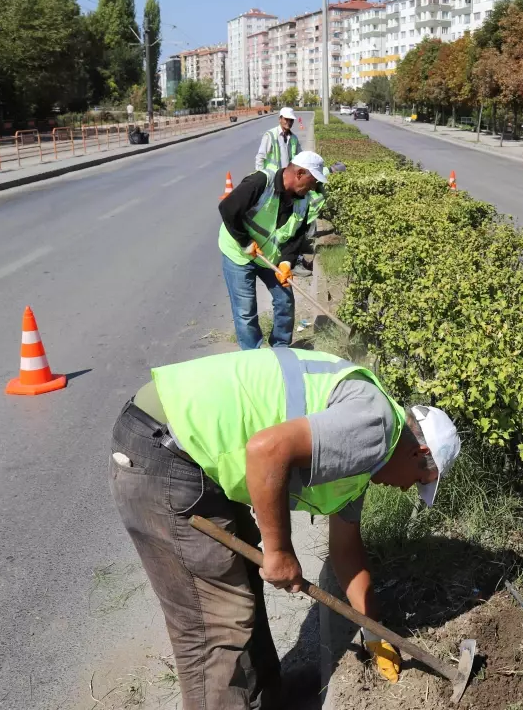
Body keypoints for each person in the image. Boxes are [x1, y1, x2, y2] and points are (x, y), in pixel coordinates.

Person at [110, 347, 462, 710]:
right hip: (165, 449)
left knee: (242, 582)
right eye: (421, 479)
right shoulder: (376, 428)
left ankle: (268, 700)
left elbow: (346, 551)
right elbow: (267, 450)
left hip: (194, 454)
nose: (409, 489)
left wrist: (372, 629)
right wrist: (279, 552)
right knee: (216, 626)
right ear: (418, 452)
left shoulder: (364, 455)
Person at [219, 150, 325, 351]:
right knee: (245, 311)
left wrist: (286, 262)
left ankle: (280, 348)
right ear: (300, 173)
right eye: (311, 182)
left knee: (285, 301)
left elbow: (295, 237)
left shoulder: (303, 203)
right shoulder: (261, 182)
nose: (312, 187)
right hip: (239, 254)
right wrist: (244, 242)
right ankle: (253, 355)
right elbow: (227, 208)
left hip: (271, 258)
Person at [255, 107, 301, 175]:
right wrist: (260, 177)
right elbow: (260, 158)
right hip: (272, 178)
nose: (289, 122)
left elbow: (300, 157)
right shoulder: (270, 135)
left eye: (291, 120)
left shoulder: (294, 138)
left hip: (286, 178)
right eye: (286, 119)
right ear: (280, 119)